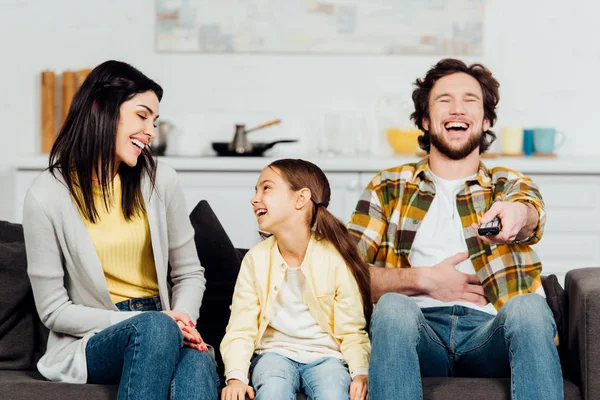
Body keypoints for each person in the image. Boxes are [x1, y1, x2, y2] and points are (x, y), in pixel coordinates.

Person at [348, 58, 563, 400]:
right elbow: (342, 275)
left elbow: (530, 212)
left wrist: (517, 215)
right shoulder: (387, 187)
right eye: (444, 100)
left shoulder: (507, 184)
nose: (458, 109)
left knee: (529, 308)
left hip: (490, 335)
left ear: (486, 119)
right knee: (391, 308)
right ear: (425, 119)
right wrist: (421, 279)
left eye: (470, 100)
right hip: (417, 335)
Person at [22, 60, 219, 400]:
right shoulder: (46, 194)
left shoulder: (161, 180)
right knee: (155, 327)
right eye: (142, 116)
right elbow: (54, 310)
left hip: (165, 321)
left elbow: (189, 273)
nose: (151, 131)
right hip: (96, 338)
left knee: (199, 363)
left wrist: (181, 321)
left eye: (154, 122)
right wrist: (154, 324)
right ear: (101, 107)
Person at [220, 159, 371, 400]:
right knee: (272, 391)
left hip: (328, 357)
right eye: (255, 190)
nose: (254, 198)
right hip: (273, 354)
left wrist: (361, 372)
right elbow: (241, 326)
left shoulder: (335, 259)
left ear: (300, 199)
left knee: (334, 392)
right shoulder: (255, 260)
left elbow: (352, 330)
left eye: (266, 188)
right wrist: (236, 377)